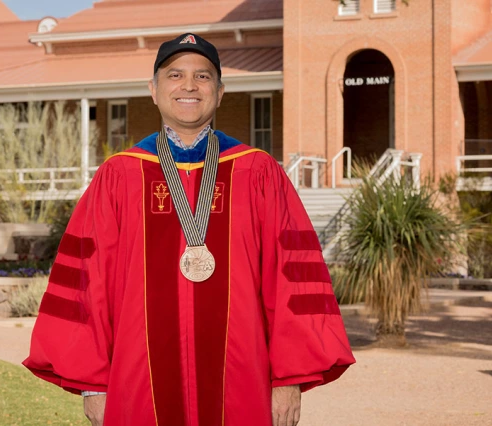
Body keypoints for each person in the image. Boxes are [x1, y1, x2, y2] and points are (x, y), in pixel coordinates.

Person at [23, 33, 355, 426]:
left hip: (243, 381)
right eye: (175, 74)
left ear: (220, 91)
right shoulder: (120, 175)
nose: (188, 86)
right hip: (138, 382)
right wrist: (95, 386)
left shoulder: (257, 172)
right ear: (153, 89)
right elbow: (87, 284)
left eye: (202, 77)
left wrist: (288, 379)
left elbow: (292, 281)